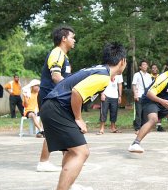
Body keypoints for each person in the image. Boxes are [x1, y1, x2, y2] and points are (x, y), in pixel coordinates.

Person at [40, 42, 127, 190]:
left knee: (70, 151)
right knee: (81, 152)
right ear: (122, 62)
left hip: (53, 106)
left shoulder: (99, 70)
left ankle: (69, 185)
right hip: (57, 108)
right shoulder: (103, 76)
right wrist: (79, 118)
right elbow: (77, 92)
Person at [37, 25, 75, 172]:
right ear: (64, 39)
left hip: (56, 98)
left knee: (65, 127)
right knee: (53, 130)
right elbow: (56, 76)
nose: (74, 40)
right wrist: (72, 90)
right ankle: (43, 162)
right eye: (72, 37)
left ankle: (70, 157)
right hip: (50, 98)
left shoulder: (63, 55)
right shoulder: (57, 53)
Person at [132, 60, 153, 134]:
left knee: (145, 113)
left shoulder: (149, 75)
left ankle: (144, 128)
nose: (145, 66)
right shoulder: (137, 75)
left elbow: (151, 87)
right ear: (140, 67)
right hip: (139, 95)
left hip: (147, 97)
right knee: (138, 112)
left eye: (146, 65)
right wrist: (135, 94)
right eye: (143, 65)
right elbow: (134, 85)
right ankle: (137, 128)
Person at [151, 64, 165, 132]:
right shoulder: (149, 76)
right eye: (153, 68)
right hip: (151, 94)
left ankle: (159, 125)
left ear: (157, 69)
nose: (154, 69)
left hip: (159, 95)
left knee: (159, 110)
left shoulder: (160, 76)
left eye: (155, 68)